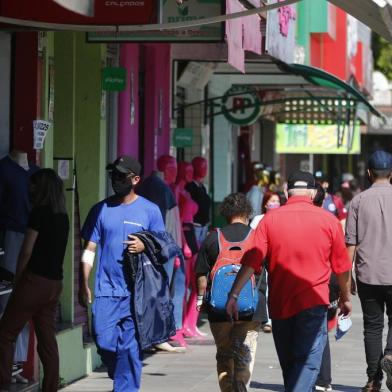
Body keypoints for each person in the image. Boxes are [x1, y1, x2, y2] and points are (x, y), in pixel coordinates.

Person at [227, 170, 352, 392]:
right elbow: (342, 268)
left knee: (290, 364)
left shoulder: (268, 220)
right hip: (314, 301)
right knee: (308, 363)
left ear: (286, 191)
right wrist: (345, 297)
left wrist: (234, 294)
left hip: (280, 304)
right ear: (313, 193)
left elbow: (252, 260)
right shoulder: (329, 221)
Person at [79, 155, 167, 392]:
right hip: (106, 291)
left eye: (121, 175)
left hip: (136, 293)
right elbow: (90, 249)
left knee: (129, 349)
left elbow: (163, 246)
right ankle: (120, 372)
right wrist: (83, 281)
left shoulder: (150, 211)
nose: (116, 179)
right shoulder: (100, 210)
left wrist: (144, 245)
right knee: (104, 341)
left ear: (135, 179)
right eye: (113, 175)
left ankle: (125, 387)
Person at [0, 168, 69, 392]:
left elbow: (26, 251)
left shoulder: (39, 213)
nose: (29, 189)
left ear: (41, 189)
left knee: (5, 334)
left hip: (34, 282)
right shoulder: (63, 216)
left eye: (33, 185)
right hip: (54, 285)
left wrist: (19, 279)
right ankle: (50, 388)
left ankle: (2, 383)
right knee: (47, 342)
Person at [196, 193, 260, 391]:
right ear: (247, 211)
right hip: (249, 308)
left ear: (225, 213)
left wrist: (200, 299)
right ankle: (241, 387)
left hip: (219, 308)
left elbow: (201, 275)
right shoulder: (257, 237)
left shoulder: (213, 238)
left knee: (224, 353)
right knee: (244, 353)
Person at [345, 150, 392, 392]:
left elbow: (350, 244)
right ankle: (391, 354)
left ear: (369, 173)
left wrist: (347, 278)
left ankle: (373, 381)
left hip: (367, 275)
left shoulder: (357, 201)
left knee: (372, 327)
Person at [250, 190, 282, 333]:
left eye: (277, 201)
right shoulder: (258, 219)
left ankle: (275, 317)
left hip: (277, 258)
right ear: (265, 204)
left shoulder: (283, 218)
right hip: (263, 260)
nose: (275, 204)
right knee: (264, 289)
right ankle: (267, 319)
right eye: (272, 201)